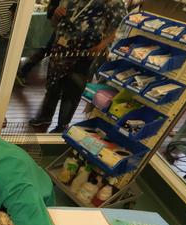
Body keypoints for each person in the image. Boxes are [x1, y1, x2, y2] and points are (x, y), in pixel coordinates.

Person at [29, 0, 126, 133]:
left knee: (72, 90)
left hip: (85, 54)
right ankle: (45, 117)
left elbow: (117, 31)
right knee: (53, 85)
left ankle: (62, 125)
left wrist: (101, 46)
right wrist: (56, 15)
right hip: (60, 49)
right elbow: (55, 23)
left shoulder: (113, 2)